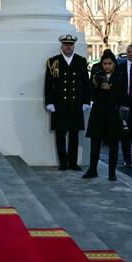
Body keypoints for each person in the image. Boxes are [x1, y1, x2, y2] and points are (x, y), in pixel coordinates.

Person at [44, 35, 91, 171]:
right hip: (59, 104)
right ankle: (63, 163)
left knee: (74, 135)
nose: (68, 46)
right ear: (62, 46)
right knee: (60, 135)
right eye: (66, 44)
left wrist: (86, 101)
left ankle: (73, 163)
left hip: (76, 104)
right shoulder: (53, 62)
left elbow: (86, 83)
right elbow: (48, 84)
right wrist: (49, 102)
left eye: (70, 44)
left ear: (74, 46)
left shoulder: (80, 61)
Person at [83, 50, 122, 181]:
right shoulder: (97, 74)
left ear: (114, 64)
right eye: (104, 63)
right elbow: (91, 93)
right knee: (95, 142)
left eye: (109, 63)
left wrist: (110, 88)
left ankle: (112, 172)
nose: (107, 66)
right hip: (98, 112)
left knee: (113, 144)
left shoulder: (120, 75)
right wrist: (95, 84)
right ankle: (92, 169)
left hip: (113, 113)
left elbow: (122, 94)